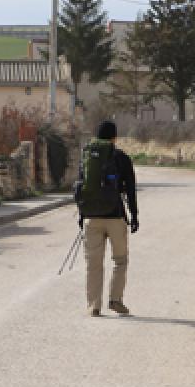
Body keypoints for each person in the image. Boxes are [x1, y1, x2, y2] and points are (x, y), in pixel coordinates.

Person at [74, 120, 139, 317]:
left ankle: (93, 305)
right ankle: (116, 300)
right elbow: (130, 190)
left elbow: (82, 187)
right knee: (120, 261)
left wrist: (82, 215)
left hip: (91, 218)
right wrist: (134, 215)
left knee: (93, 264)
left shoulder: (87, 157)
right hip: (115, 216)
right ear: (114, 137)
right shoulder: (121, 158)